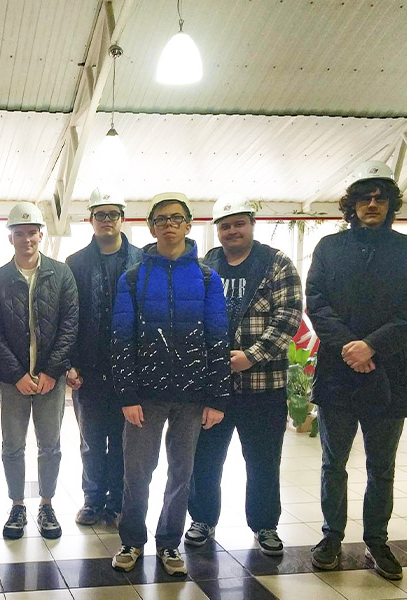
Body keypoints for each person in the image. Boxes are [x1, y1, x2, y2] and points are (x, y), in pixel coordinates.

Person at [307, 161, 407, 581]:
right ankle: (331, 538)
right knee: (333, 464)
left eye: (380, 197)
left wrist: (372, 346)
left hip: (387, 372)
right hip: (337, 371)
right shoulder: (329, 248)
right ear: (352, 204)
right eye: (364, 197)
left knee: (382, 467)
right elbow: (316, 302)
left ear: (391, 203)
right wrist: (350, 347)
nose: (372, 204)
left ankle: (377, 541)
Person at [110, 193, 231, 576]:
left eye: (176, 218)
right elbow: (121, 338)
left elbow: (218, 338)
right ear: (151, 227)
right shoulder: (133, 278)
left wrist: (217, 397)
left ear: (188, 225)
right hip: (145, 396)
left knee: (181, 473)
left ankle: (168, 544)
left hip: (192, 397)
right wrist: (127, 394)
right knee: (137, 473)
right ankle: (132, 540)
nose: (169, 225)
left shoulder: (208, 278)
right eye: (161, 219)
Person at [186, 194, 303, 556]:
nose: (232, 230)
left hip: (263, 386)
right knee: (205, 460)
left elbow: (288, 317)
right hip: (213, 389)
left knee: (263, 461)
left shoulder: (276, 263)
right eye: (225, 226)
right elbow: (190, 318)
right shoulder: (205, 266)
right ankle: (202, 519)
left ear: (252, 224)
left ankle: (265, 525)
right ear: (217, 230)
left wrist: (251, 357)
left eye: (239, 223)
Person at [0, 202, 78, 540]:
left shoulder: (61, 274)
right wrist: (16, 374)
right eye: (19, 233)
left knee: (50, 445)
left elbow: (70, 325)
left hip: (52, 379)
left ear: (41, 234)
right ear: (10, 238)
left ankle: (47, 504)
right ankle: (17, 505)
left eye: (31, 233)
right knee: (13, 445)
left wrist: (52, 371)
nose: (26, 239)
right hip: (14, 380)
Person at [66, 188, 142, 526]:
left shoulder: (142, 260)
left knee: (125, 442)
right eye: (101, 214)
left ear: (122, 218)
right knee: (92, 442)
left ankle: (117, 501)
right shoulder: (76, 263)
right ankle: (93, 500)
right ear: (91, 219)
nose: (107, 220)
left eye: (113, 214)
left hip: (131, 370)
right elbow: (68, 317)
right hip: (89, 370)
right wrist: (69, 363)